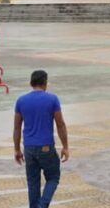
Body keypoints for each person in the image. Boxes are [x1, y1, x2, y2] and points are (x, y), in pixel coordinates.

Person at [14, 70, 69, 208]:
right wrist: (65, 146)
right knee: (53, 177)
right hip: (46, 147)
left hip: (29, 148)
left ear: (30, 83)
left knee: (33, 183)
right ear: (45, 83)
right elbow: (60, 124)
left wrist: (16, 149)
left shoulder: (21, 101)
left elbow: (17, 127)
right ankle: (42, 205)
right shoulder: (52, 99)